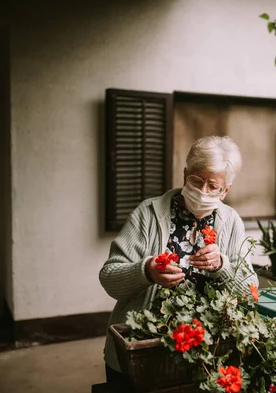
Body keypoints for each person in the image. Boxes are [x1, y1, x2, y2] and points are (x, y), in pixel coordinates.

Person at [99, 135, 258, 380]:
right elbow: (109, 278)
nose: (202, 190)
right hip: (144, 348)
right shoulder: (148, 213)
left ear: (225, 191)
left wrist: (222, 266)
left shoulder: (231, 222)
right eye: (196, 179)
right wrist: (147, 271)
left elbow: (250, 290)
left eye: (213, 186)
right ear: (185, 174)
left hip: (204, 353)